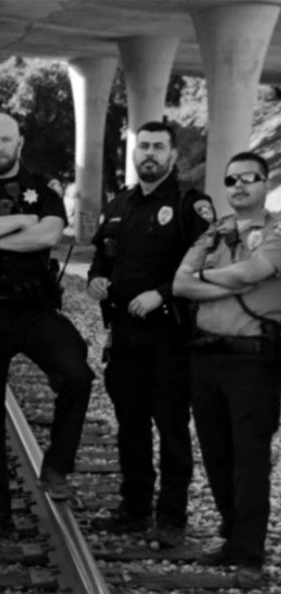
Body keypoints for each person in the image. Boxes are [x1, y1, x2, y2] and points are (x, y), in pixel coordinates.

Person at [0, 112, 94, 537]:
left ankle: (56, 467)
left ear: (19, 142)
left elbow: (48, 235)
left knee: (77, 375)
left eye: (5, 140)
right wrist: (16, 226)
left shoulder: (43, 186)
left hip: (33, 311)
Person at [87, 121, 214, 547]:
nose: (150, 154)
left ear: (173, 156)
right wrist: (95, 280)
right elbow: (100, 260)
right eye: (143, 146)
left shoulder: (189, 206)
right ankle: (134, 509)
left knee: (172, 429)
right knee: (131, 426)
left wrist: (161, 295)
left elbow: (204, 268)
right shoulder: (118, 204)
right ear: (134, 152)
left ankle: (172, 519)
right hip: (123, 337)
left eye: (159, 147)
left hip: (170, 338)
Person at [173, 151, 281, 585]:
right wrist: (234, 278)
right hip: (206, 358)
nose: (239, 186)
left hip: (253, 360)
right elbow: (179, 283)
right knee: (216, 452)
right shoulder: (214, 232)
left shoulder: (276, 229)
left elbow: (254, 270)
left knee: (250, 458)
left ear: (265, 183)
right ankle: (230, 536)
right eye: (231, 179)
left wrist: (211, 280)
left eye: (249, 178)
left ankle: (250, 552)